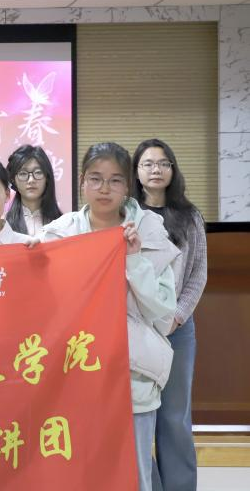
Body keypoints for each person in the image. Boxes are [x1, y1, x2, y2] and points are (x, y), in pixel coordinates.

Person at [39, 142, 180, 491]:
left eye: (115, 180)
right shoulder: (58, 234)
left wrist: (134, 259)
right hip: (74, 372)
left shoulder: (150, 233)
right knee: (80, 473)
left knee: (134, 475)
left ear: (128, 186)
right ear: (82, 182)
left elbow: (163, 311)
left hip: (132, 372)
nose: (104, 189)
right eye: (95, 179)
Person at [133, 138, 207, 491]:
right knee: (137, 418)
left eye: (163, 163)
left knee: (175, 417)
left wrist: (177, 315)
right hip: (137, 327)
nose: (156, 170)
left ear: (173, 170)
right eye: (148, 164)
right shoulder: (127, 215)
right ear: (136, 171)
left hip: (178, 328)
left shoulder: (190, 216)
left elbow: (198, 273)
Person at [5, 144, 63, 235]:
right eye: (23, 173)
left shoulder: (63, 224)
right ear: (13, 180)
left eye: (38, 172)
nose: (31, 180)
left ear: (47, 177)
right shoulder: (3, 225)